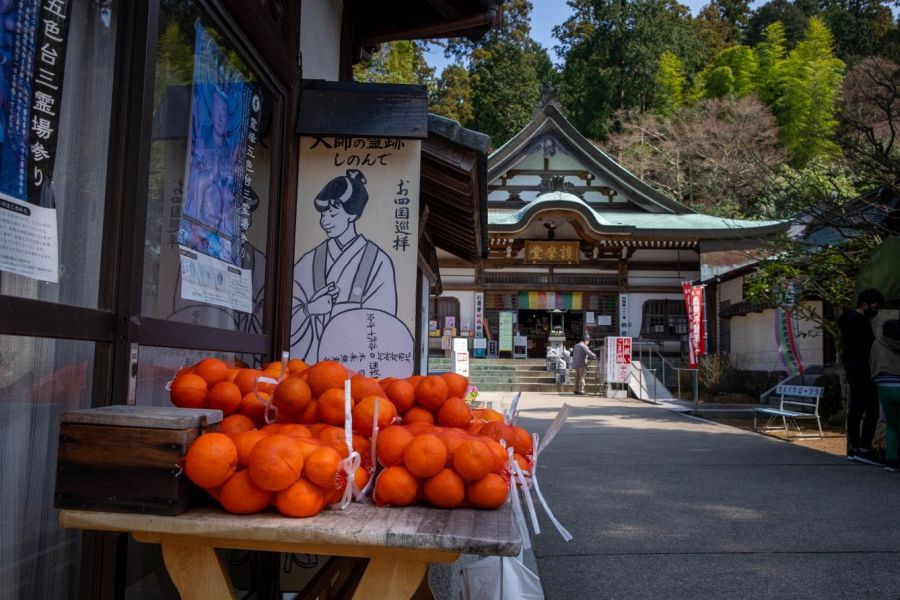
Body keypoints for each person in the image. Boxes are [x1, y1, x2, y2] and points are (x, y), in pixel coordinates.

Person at [291, 169, 397, 363]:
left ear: (352, 214)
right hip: (313, 367)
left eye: (332, 213)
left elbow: (383, 324)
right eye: (322, 214)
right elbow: (288, 310)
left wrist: (339, 313)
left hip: (356, 365)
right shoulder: (310, 259)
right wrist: (310, 309)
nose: (325, 221)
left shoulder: (377, 261)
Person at [839, 288, 884, 460]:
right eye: (874, 306)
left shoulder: (847, 320)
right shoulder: (861, 322)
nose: (876, 310)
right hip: (865, 369)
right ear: (865, 305)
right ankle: (864, 447)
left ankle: (854, 446)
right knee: (871, 410)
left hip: (852, 369)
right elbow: (866, 349)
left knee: (856, 409)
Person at [870, 319, 900, 471]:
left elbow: (872, 363)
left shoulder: (878, 344)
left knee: (892, 425)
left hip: (884, 386)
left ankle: (890, 459)